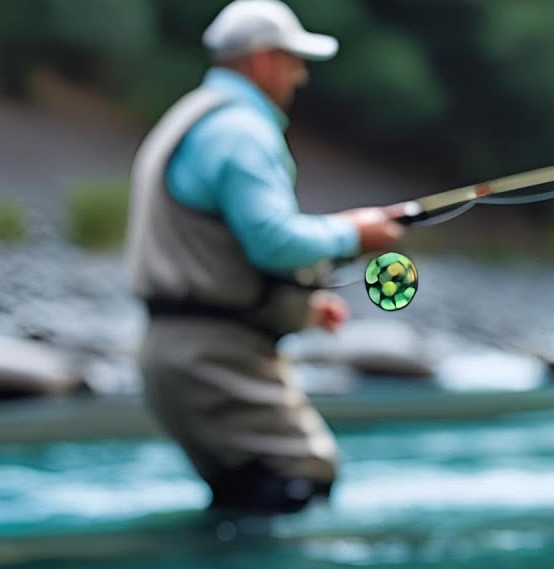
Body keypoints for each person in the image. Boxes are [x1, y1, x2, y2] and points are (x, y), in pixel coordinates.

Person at [124, 0, 407, 516]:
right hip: (212, 357)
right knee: (302, 475)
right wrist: (353, 233)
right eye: (292, 59)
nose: (299, 76)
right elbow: (271, 240)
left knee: (246, 495)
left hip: (179, 353)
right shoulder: (241, 131)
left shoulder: (193, 117)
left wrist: (301, 306)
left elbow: (216, 252)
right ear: (261, 60)